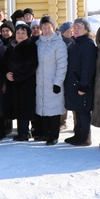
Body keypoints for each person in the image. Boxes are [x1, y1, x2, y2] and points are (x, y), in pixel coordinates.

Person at [1, 23, 38, 142]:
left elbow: (31, 65)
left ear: (28, 35)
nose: (20, 35)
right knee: (16, 107)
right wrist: (7, 73)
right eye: (18, 33)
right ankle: (20, 131)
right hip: (13, 83)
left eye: (23, 33)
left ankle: (24, 133)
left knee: (24, 108)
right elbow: (4, 62)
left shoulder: (31, 46)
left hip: (25, 83)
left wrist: (16, 76)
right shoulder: (11, 46)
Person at [34, 16, 67, 146]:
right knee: (42, 107)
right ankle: (45, 133)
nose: (46, 30)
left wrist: (58, 82)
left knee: (54, 109)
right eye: (44, 28)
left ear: (53, 28)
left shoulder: (59, 43)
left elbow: (62, 64)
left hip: (53, 81)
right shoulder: (38, 43)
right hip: (40, 81)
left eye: (49, 27)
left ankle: (53, 135)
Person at [64, 17, 97, 146]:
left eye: (79, 27)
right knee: (77, 109)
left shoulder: (88, 44)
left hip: (82, 84)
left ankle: (85, 136)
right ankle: (78, 134)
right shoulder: (76, 42)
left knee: (83, 110)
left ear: (87, 30)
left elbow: (87, 67)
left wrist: (83, 85)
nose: (76, 30)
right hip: (73, 82)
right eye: (75, 27)